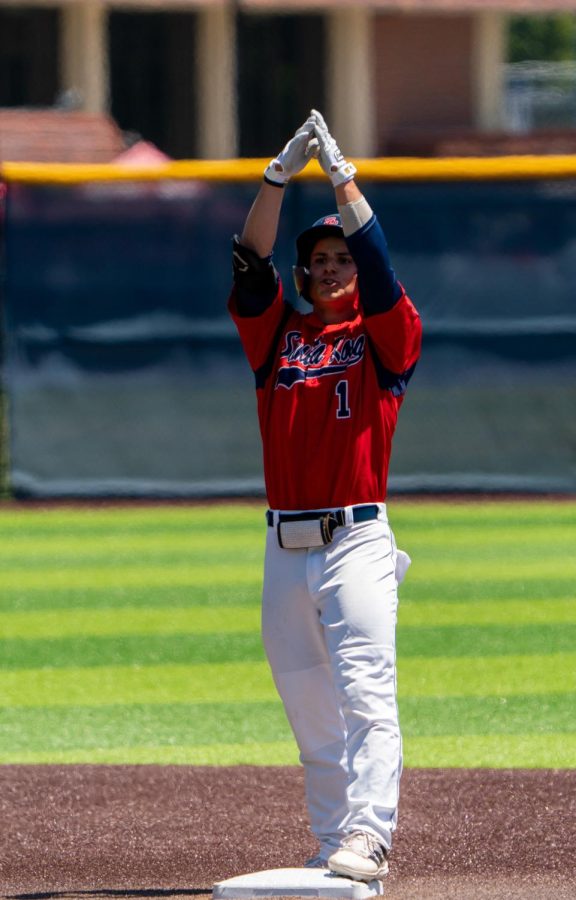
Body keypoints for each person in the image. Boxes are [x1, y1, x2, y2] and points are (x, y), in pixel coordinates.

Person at [228, 110, 422, 882]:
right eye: (321, 260)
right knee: (311, 711)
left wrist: (343, 180)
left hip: (357, 541)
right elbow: (249, 260)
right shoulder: (279, 335)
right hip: (284, 545)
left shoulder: (386, 336)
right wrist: (277, 178)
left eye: (343, 257)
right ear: (304, 274)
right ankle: (331, 841)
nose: (335, 267)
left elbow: (380, 265)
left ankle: (370, 837)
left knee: (368, 694)